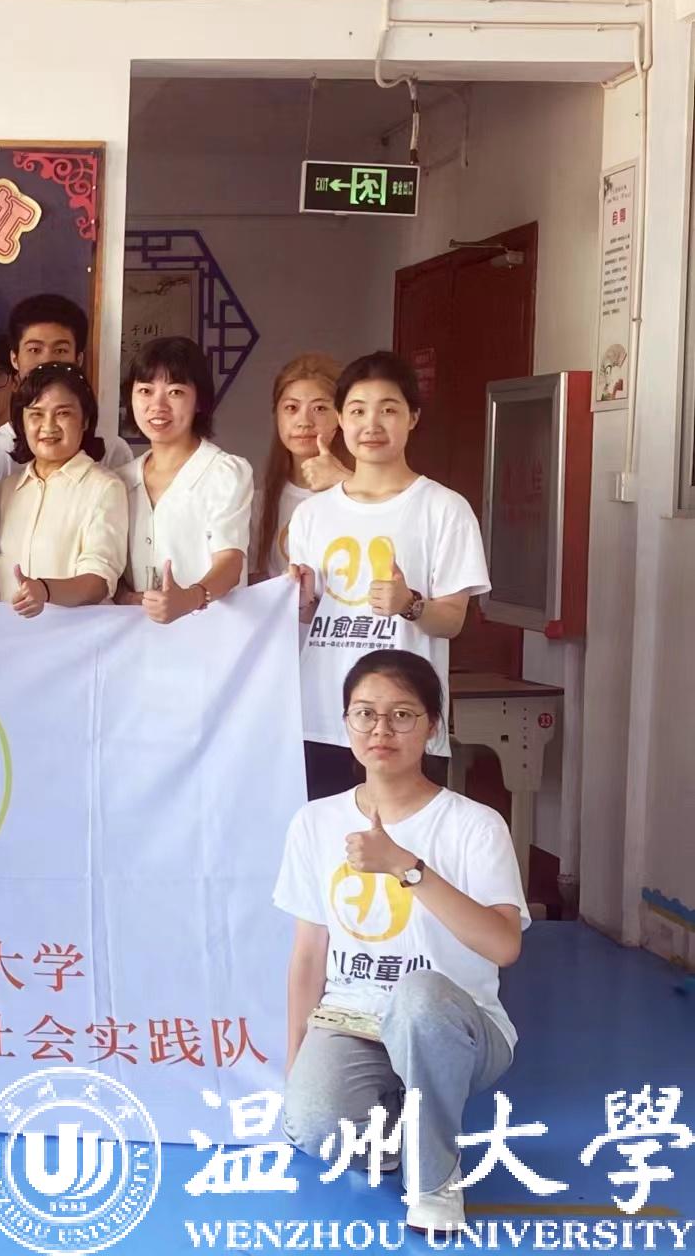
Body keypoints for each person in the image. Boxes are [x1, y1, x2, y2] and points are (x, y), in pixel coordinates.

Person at [275, 649, 527, 1236]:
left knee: (417, 996)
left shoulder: (474, 824)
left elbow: (504, 946)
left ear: (433, 725)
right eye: (364, 713)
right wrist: (295, 1061)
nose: (380, 730)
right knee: (312, 1125)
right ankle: (394, 1128)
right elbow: (308, 954)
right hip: (355, 1019)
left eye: (402, 715)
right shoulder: (314, 823)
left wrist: (406, 867)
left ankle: (435, 1181)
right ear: (346, 723)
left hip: (458, 1025)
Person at [286, 351, 489, 799]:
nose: (371, 424)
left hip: (404, 722)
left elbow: (452, 620)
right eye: (358, 411)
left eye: (389, 410)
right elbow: (311, 617)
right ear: (340, 419)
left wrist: (409, 604)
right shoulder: (312, 514)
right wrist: (301, 604)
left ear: (413, 418)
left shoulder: (444, 508)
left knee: (403, 840)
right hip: (322, 719)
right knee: (327, 840)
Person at [117, 336, 253, 624]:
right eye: (145, 391)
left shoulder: (224, 473)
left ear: (199, 401)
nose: (158, 405)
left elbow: (230, 562)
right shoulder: (120, 479)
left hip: (209, 632)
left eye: (175, 392)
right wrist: (124, 596)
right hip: (136, 635)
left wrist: (191, 598)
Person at [0, 364, 128, 616]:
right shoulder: (4, 491)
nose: (48, 426)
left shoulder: (105, 487)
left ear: (85, 420)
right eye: (36, 414)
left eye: (63, 413)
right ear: (21, 421)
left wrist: (45, 590)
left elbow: (99, 581)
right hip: (7, 636)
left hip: (76, 636)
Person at [0, 293, 134, 487]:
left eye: (60, 350)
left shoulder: (113, 451)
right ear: (14, 358)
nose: (47, 361)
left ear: (78, 359)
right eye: (34, 350)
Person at [251, 353, 350, 582]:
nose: (304, 421)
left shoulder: (360, 491)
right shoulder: (260, 503)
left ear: (341, 416)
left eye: (320, 408)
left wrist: (347, 481)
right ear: (277, 415)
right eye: (291, 408)